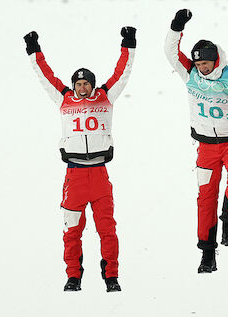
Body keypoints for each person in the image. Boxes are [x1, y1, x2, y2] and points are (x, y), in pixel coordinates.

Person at [24, 27, 136, 292]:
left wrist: (128, 43)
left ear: (93, 85)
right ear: (73, 86)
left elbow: (123, 72)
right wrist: (33, 49)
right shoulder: (63, 98)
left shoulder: (106, 96)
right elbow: (45, 76)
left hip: (99, 175)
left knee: (107, 230)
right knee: (71, 231)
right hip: (74, 176)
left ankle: (112, 277)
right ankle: (73, 276)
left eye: (87, 83)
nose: (82, 87)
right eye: (78, 84)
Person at [164, 9, 228, 273]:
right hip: (205, 147)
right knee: (206, 198)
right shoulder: (190, 73)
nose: (202, 68)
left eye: (206, 64)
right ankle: (207, 254)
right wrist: (177, 26)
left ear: (216, 59)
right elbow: (171, 52)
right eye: (198, 65)